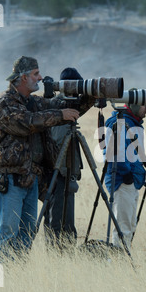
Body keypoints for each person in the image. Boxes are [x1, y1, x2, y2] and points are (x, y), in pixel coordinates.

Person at [0, 56, 80, 262]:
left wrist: (90, 96)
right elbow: (27, 122)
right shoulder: (5, 103)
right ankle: (4, 275)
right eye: (35, 74)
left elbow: (58, 106)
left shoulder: (33, 102)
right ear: (22, 77)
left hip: (31, 178)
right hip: (12, 177)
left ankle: (19, 276)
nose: (40, 78)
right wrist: (60, 115)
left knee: (27, 233)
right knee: (9, 230)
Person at [44, 67, 94, 249]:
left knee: (67, 218)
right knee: (56, 218)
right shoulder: (54, 105)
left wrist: (96, 90)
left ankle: (67, 250)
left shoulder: (70, 105)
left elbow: (87, 102)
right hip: (56, 171)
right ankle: (57, 252)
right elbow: (56, 139)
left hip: (67, 171)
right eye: (75, 86)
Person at [103, 101, 146, 252]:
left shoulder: (130, 122)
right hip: (122, 182)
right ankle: (118, 261)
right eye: (145, 105)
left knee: (129, 225)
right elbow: (116, 152)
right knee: (123, 227)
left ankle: (122, 258)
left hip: (131, 181)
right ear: (135, 106)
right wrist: (126, 174)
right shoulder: (120, 123)